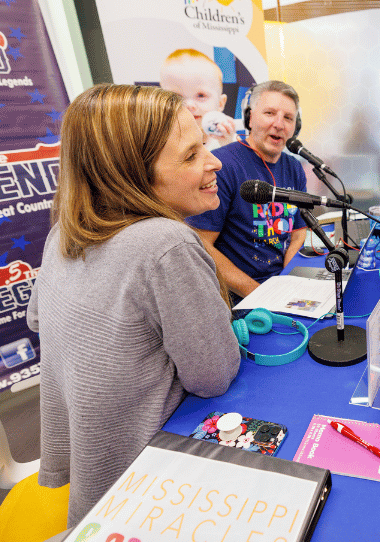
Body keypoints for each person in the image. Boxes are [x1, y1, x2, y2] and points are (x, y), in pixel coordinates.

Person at [27, 84, 241, 527]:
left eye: (205, 142)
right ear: (131, 176)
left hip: (94, 484)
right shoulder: (165, 243)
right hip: (150, 490)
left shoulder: (62, 234)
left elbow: (38, 319)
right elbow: (214, 375)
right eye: (190, 155)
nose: (214, 160)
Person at [186, 80, 308, 301]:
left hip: (281, 287)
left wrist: (288, 279)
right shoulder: (223, 165)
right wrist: (259, 294)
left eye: (288, 118)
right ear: (250, 117)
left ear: (294, 127)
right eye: (270, 113)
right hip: (238, 296)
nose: (279, 124)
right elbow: (200, 243)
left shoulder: (294, 168)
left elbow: (299, 231)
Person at [159, 48, 237, 150]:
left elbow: (240, 164)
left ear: (220, 103)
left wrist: (228, 144)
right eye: (176, 97)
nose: (189, 105)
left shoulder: (228, 140)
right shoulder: (160, 142)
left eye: (201, 95)